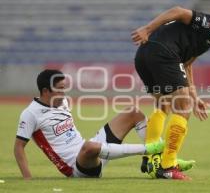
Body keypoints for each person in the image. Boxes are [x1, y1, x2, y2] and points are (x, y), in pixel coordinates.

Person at [132, 6, 210, 180]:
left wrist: (195, 98)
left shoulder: (206, 41)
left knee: (163, 105)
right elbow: (178, 11)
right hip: (164, 52)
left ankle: (151, 157)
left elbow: (186, 65)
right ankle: (167, 166)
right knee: (183, 109)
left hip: (144, 55)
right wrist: (147, 29)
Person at [14, 69, 165, 179]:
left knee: (134, 112)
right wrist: (28, 179)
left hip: (91, 151)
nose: (64, 93)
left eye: (64, 89)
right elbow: (18, 147)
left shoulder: (63, 102)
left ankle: (155, 163)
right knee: (89, 146)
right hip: (77, 167)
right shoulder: (31, 114)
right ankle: (148, 150)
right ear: (45, 91)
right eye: (59, 89)